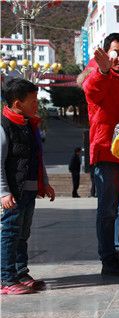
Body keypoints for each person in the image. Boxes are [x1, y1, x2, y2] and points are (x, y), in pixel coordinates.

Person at [81, 33, 119, 276]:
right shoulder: (100, 76)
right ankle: (108, 258)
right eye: (116, 52)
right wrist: (103, 71)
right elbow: (91, 91)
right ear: (107, 53)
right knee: (107, 209)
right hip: (106, 153)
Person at [1, 78, 55, 295]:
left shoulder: (29, 124)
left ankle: (21, 272)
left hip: (28, 190)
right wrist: (3, 192)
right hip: (12, 193)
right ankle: (6, 278)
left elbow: (37, 158)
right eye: (33, 101)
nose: (36, 104)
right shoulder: (5, 126)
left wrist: (45, 183)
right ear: (17, 103)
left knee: (23, 233)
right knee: (10, 233)